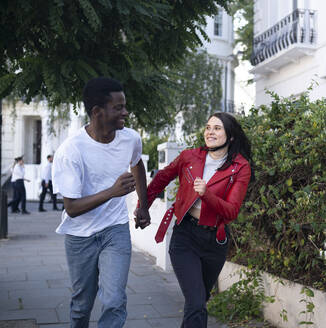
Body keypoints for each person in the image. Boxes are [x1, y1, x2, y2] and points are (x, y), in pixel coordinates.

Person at [136, 112, 253, 328]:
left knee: (198, 302)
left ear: (231, 135)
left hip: (214, 242)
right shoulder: (190, 156)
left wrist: (206, 194)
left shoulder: (240, 167)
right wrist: (143, 206)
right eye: (208, 127)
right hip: (185, 237)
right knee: (197, 302)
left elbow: (231, 211)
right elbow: (161, 178)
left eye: (217, 128)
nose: (210, 132)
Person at [52, 77, 151, 328]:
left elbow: (137, 163)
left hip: (115, 230)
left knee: (115, 300)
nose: (125, 113)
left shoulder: (130, 139)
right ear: (97, 112)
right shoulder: (71, 150)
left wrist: (143, 204)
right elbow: (71, 208)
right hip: (80, 236)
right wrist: (111, 192)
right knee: (82, 304)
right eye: (118, 108)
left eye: (124, 106)